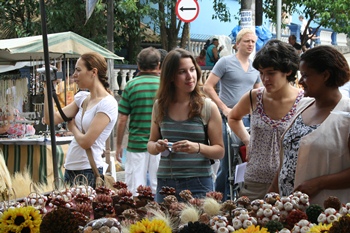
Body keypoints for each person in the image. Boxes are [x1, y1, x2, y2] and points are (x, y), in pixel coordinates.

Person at [268, 46, 350, 205]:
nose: (300, 81)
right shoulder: (302, 105)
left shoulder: (346, 114)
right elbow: (288, 157)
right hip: (287, 210)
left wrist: (319, 183)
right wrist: (271, 195)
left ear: (325, 75)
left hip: (323, 216)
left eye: (305, 75)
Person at [228, 40, 304, 200]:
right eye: (261, 73)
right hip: (255, 180)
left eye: (271, 73)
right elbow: (233, 117)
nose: (265, 78)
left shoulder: (304, 101)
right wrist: (247, 140)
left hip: (292, 182)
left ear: (288, 71)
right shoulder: (255, 96)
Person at [147, 48, 224, 202]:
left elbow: (220, 151)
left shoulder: (208, 107)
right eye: (182, 72)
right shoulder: (160, 106)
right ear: (170, 77)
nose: (190, 76)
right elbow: (150, 144)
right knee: (165, 226)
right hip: (166, 183)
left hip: (199, 182)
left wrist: (197, 147)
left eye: (192, 69)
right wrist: (158, 146)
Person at [43, 52, 118, 188]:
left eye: (78, 70)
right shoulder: (82, 98)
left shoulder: (107, 104)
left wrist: (72, 128)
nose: (74, 75)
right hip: (70, 168)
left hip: (88, 170)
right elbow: (50, 119)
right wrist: (47, 87)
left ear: (93, 72)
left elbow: (86, 141)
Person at [203, 28, 261, 201]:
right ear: (237, 44)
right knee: (227, 161)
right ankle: (219, 199)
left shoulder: (255, 67)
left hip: (248, 119)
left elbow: (258, 92)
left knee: (245, 160)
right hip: (227, 118)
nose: (250, 44)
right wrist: (222, 107)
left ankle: (241, 196)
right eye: (246, 41)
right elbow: (207, 87)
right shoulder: (225, 62)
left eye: (253, 41)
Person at [116, 47, 162, 197]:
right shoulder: (164, 86)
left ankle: (136, 216)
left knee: (136, 187)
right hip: (160, 143)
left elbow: (122, 118)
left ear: (138, 65)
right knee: (159, 186)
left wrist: (118, 145)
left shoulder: (131, 85)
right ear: (159, 65)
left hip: (136, 144)